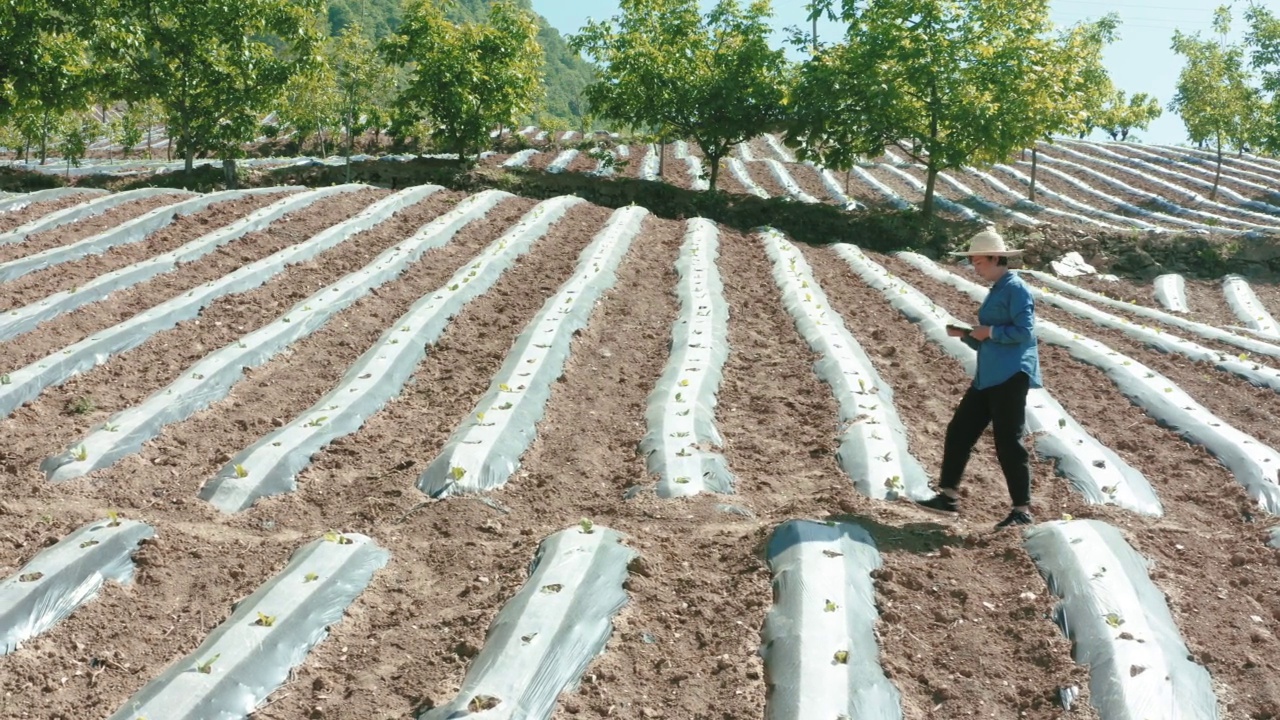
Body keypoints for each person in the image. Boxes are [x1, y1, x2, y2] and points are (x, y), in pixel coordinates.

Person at [915, 228, 1042, 529]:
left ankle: (1022, 510)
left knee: (1008, 441)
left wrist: (991, 332)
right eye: (973, 263)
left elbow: (1025, 332)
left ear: (997, 258)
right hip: (989, 375)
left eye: (979, 262)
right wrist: (968, 335)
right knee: (960, 430)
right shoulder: (997, 289)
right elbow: (990, 337)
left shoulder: (1016, 288)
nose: (975, 268)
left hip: (1011, 374)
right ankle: (947, 496)